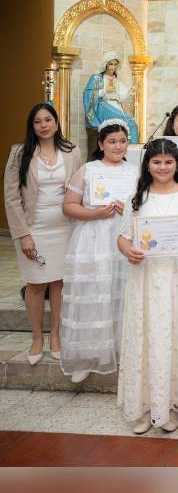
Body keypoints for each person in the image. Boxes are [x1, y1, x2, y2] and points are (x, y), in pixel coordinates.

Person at [116, 138, 178, 435]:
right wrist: (127, 250)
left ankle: (172, 404)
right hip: (145, 279)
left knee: (176, 337)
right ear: (147, 165)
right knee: (147, 337)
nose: (162, 167)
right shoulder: (138, 196)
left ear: (177, 165)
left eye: (168, 162)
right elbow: (123, 235)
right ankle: (145, 405)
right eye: (156, 162)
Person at [60, 119, 137, 384]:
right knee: (93, 293)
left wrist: (126, 210)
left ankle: (120, 351)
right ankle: (87, 356)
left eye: (122, 141)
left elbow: (144, 209)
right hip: (93, 237)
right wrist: (94, 213)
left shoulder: (136, 172)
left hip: (124, 237)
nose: (118, 146)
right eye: (112, 142)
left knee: (122, 293)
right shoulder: (88, 170)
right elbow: (68, 205)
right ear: (101, 144)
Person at [4, 103, 81, 365]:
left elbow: (80, 189)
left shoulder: (72, 151)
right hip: (33, 229)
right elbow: (11, 198)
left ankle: (56, 336)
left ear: (56, 123)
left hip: (65, 227)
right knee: (36, 284)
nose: (44, 125)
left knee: (59, 283)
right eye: (38, 121)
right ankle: (37, 338)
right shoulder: (19, 153)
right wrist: (23, 234)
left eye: (48, 120)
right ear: (32, 126)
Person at [82, 51, 139, 143]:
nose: (113, 67)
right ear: (105, 64)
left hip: (116, 105)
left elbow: (122, 97)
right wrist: (104, 91)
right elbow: (88, 95)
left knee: (132, 124)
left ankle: (131, 151)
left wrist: (131, 92)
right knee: (122, 121)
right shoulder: (97, 78)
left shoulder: (117, 79)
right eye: (111, 64)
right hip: (103, 105)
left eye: (115, 64)